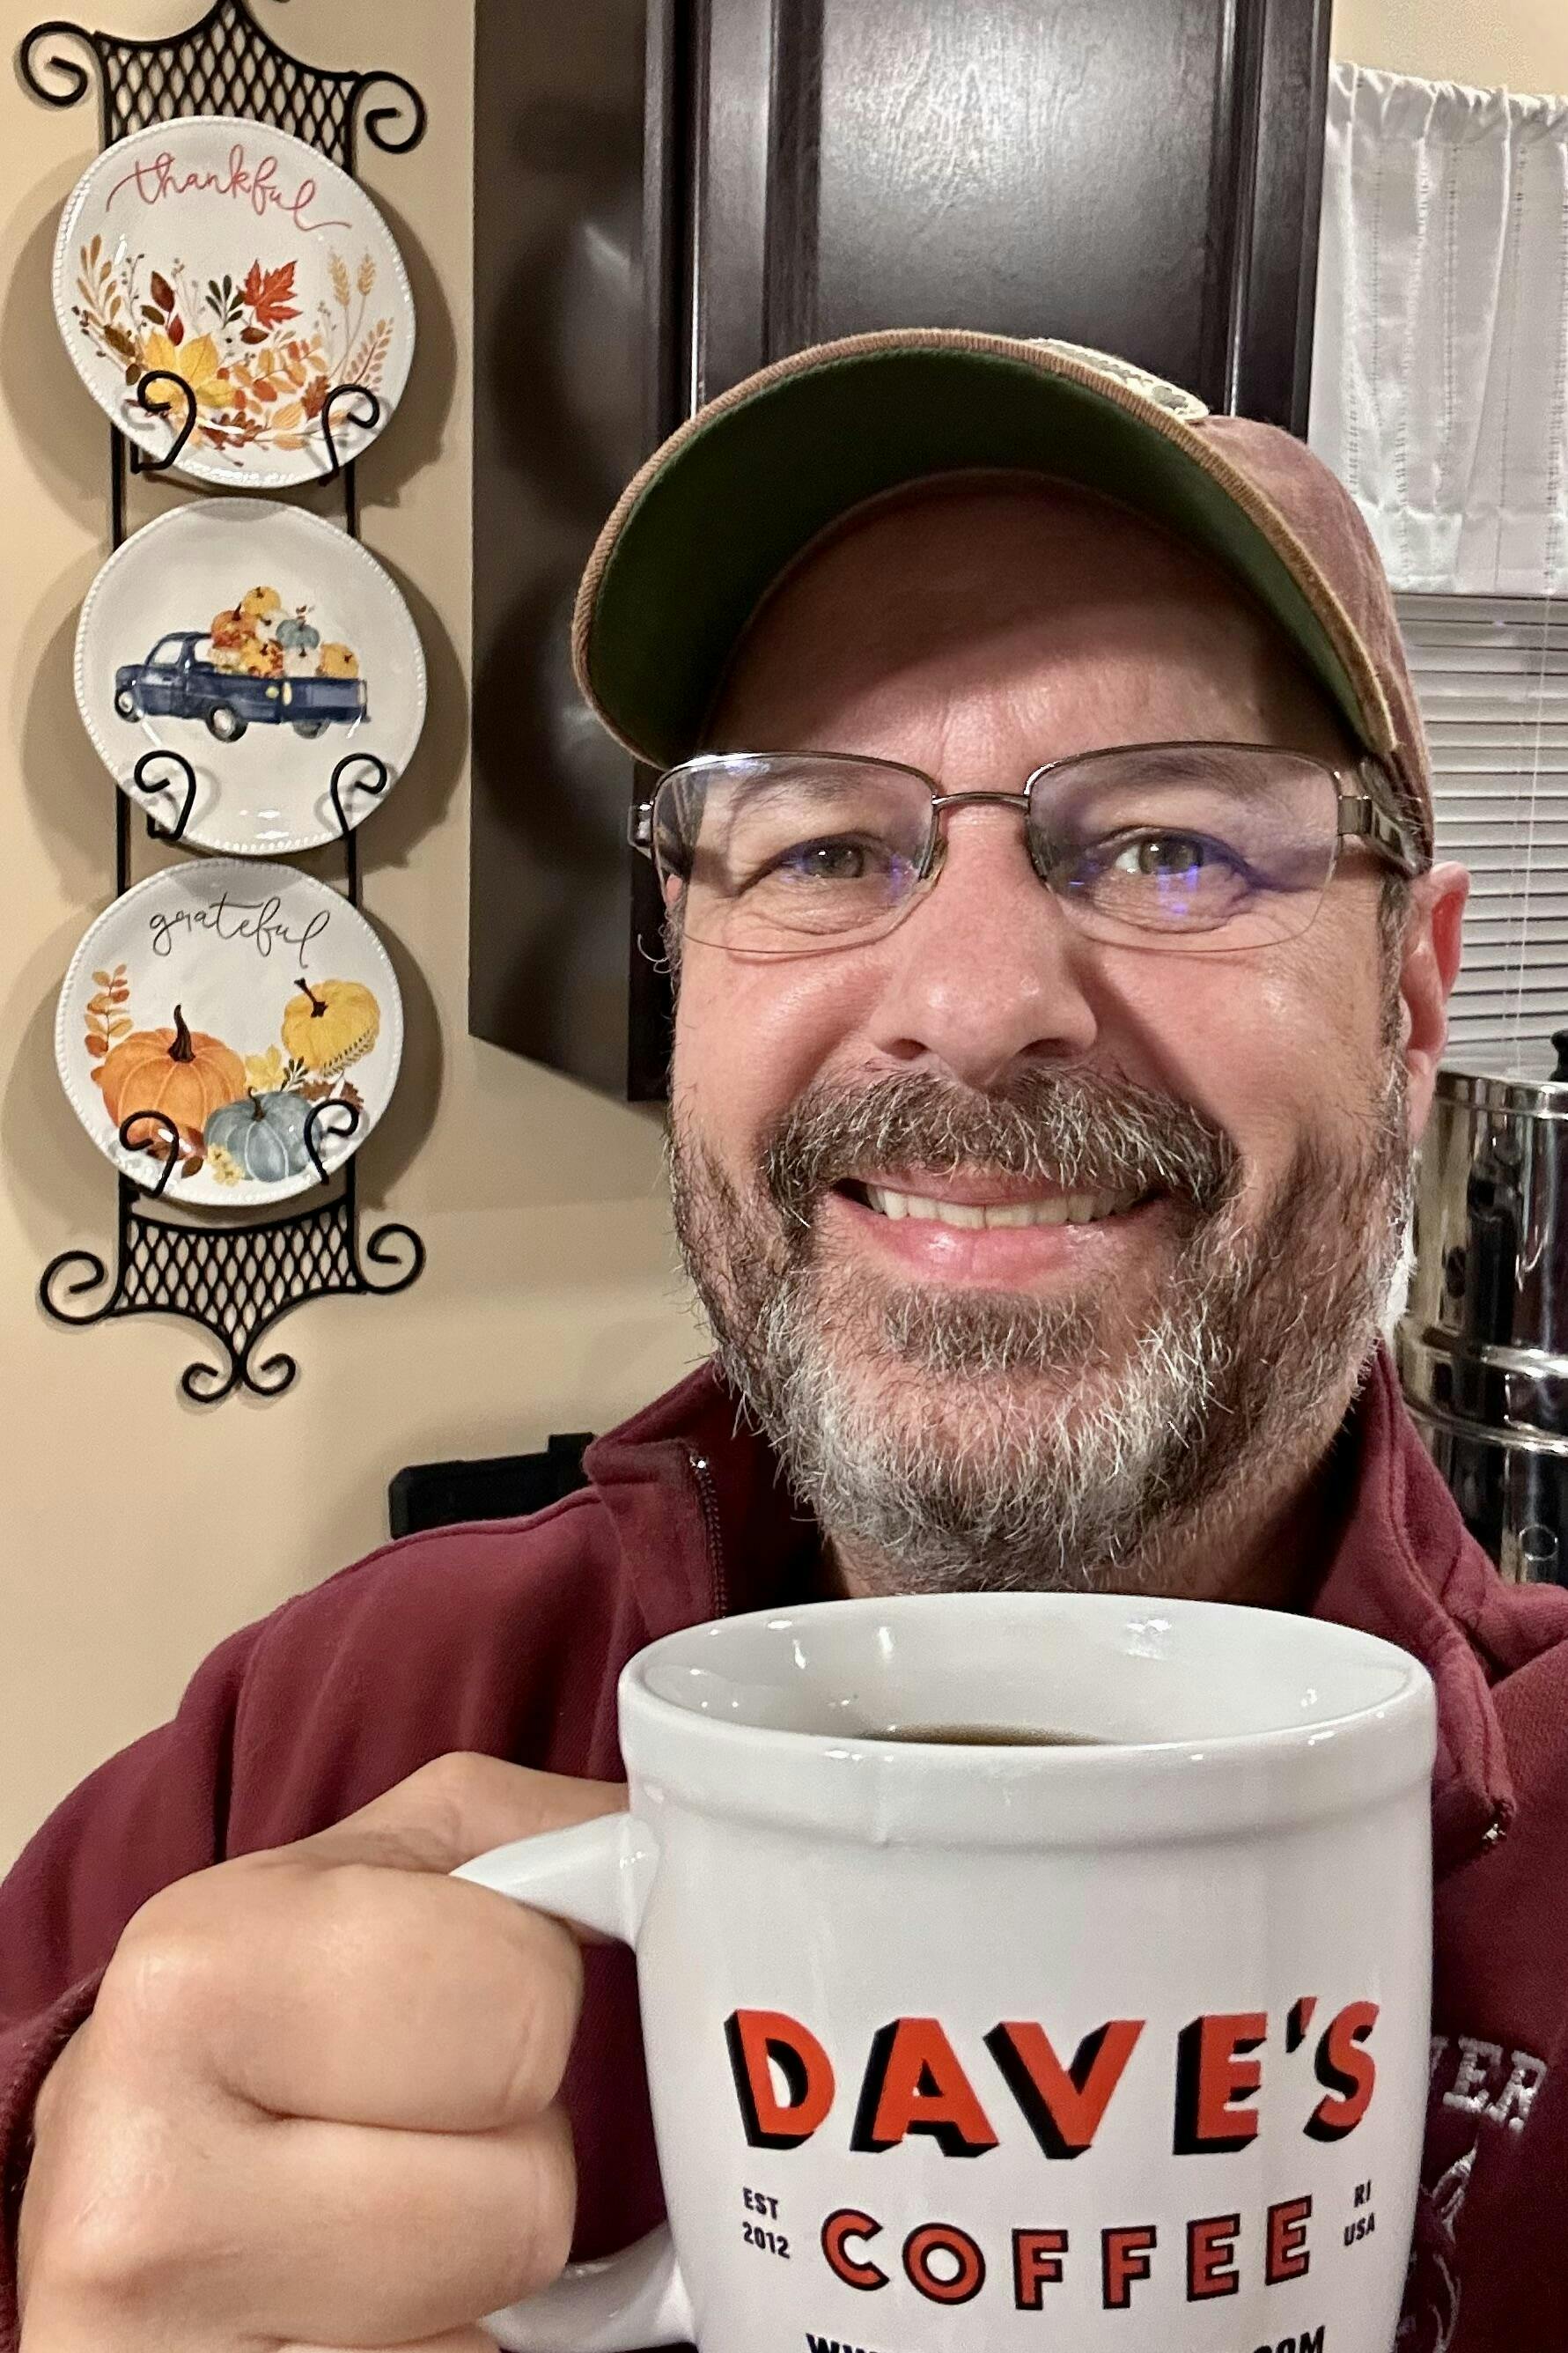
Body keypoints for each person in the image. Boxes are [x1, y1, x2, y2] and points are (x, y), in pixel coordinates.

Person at [4, 330, 1563, 2353]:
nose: (974, 999)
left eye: (1174, 843)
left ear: (1413, 998)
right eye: (825, 845)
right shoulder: (329, 1740)